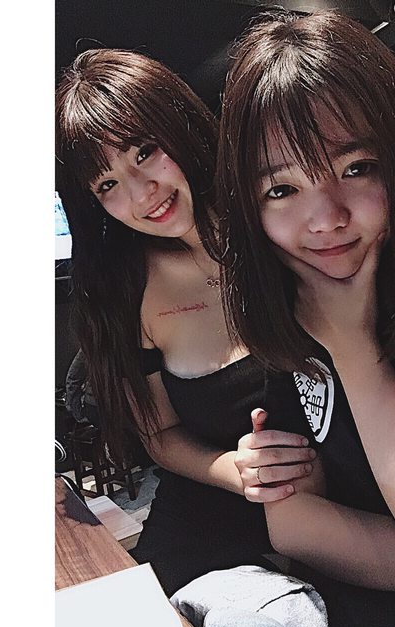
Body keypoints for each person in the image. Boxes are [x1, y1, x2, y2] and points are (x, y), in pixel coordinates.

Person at [54, 48, 319, 596]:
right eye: (107, 185)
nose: (141, 194)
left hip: (336, 511)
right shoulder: (127, 293)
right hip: (208, 527)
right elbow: (160, 435)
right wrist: (235, 470)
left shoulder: (281, 223)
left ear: (179, 123)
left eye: (144, 153)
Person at [216, 10, 395, 627]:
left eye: (356, 168)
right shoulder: (294, 306)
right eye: (282, 190)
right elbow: (294, 525)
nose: (326, 218)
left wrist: (353, 347)